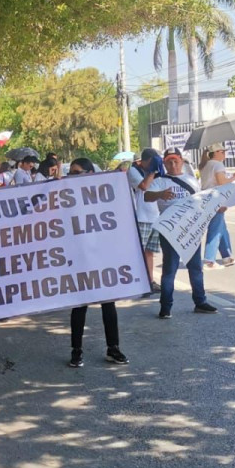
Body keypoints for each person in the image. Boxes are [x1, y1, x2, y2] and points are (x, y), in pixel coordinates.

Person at [66, 158, 128, 367]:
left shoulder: (102, 195)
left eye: (77, 173)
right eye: (70, 173)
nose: (72, 177)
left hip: (102, 255)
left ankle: (113, 348)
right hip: (78, 256)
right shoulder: (65, 196)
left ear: (90, 173)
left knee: (108, 303)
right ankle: (76, 351)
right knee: (80, 305)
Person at [145, 148, 218, 317]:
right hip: (170, 230)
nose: (173, 164)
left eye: (176, 161)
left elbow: (201, 200)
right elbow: (147, 196)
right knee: (170, 269)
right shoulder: (160, 181)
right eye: (169, 161)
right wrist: (161, 194)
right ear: (164, 163)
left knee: (195, 267)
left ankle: (200, 302)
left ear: (181, 161)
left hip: (190, 229)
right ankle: (166, 307)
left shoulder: (191, 180)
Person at [199, 145, 235, 269]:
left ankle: (227, 256)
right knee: (216, 229)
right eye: (222, 151)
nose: (224, 154)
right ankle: (209, 260)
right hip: (216, 198)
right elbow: (221, 182)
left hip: (206, 198)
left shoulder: (205, 165)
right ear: (215, 153)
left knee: (221, 227)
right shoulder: (217, 165)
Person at [128, 148, 163, 294]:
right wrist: (152, 171)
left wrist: (157, 170)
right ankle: (137, 282)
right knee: (138, 252)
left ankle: (149, 281)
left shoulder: (155, 172)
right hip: (140, 216)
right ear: (144, 161)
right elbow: (143, 187)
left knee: (149, 252)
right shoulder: (133, 170)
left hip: (154, 216)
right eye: (151, 162)